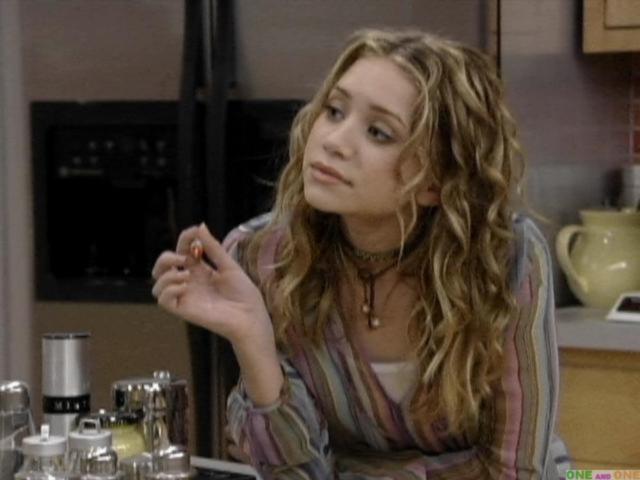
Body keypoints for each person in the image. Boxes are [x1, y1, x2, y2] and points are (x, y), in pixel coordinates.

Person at [152, 28, 564, 479]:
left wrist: (351, 472)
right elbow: (295, 474)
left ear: (436, 183)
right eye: (334, 111)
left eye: (378, 132)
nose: (333, 141)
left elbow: (513, 471)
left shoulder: (505, 258)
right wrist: (253, 337)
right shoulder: (263, 257)